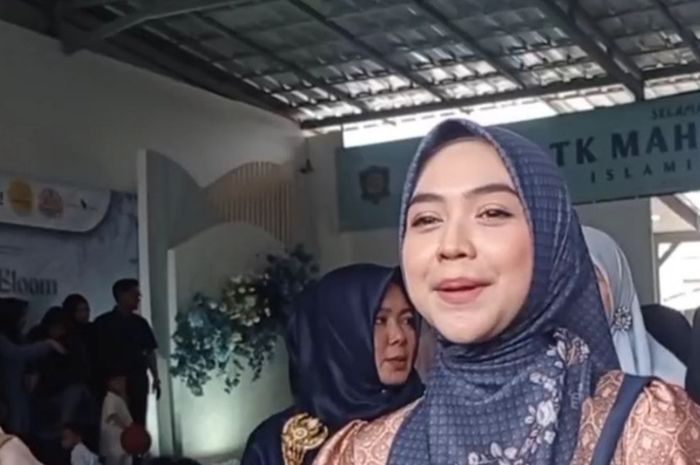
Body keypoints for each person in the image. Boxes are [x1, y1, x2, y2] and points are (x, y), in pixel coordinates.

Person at [313, 119, 700, 465]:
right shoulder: (362, 453)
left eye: (492, 213)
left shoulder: (645, 433)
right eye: (427, 219)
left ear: (551, 238)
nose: (452, 245)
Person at [241, 264, 423, 465]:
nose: (399, 336)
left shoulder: (434, 419)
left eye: (407, 320)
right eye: (380, 320)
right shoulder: (273, 444)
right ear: (340, 334)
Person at [582, 226, 687, 386]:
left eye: (593, 279)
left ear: (616, 284)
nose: (580, 293)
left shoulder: (670, 380)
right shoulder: (551, 371)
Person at [93, 279, 160, 426]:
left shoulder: (140, 323)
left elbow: (149, 351)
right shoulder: (103, 323)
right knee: (116, 423)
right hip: (112, 380)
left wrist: (155, 377)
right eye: (134, 294)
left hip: (138, 378)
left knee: (138, 420)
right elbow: (97, 355)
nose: (138, 298)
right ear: (121, 295)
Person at [0, 298, 64, 437]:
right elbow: (17, 353)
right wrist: (47, 345)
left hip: (21, 389)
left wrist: (32, 371)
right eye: (23, 316)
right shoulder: (3, 339)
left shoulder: (18, 336)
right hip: (7, 391)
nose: (25, 320)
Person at [100, 374, 134, 465]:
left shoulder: (119, 399)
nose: (121, 384)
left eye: (123, 382)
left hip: (123, 441)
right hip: (115, 442)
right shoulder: (110, 397)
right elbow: (112, 415)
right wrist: (126, 429)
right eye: (117, 381)